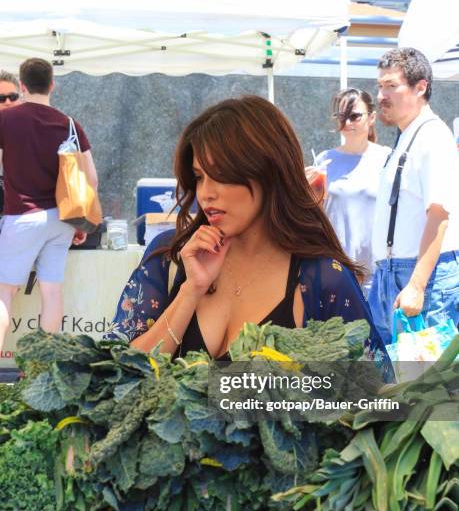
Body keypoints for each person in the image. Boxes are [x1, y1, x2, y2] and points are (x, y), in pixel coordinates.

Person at [105, 95, 385, 361]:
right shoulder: (171, 255)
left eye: (222, 176)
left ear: (269, 173)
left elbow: (372, 396)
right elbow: (118, 373)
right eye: (200, 177)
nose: (206, 193)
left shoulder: (322, 278)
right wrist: (190, 291)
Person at [0, 58, 98, 352]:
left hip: (23, 217)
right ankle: (41, 371)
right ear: (52, 84)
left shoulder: (7, 120)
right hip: (62, 220)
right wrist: (82, 224)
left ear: (23, 86)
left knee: (4, 294)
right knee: (52, 292)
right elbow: (91, 179)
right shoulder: (70, 124)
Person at [369, 47, 459, 345]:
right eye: (380, 85)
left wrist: (417, 285)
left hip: (422, 278)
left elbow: (439, 216)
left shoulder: (433, 137)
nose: (382, 94)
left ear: (421, 88)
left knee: (426, 386)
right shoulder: (407, 135)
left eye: (391, 86)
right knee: (396, 385)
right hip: (390, 276)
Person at [305, 88, 390, 296]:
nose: (348, 123)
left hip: (377, 273)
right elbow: (313, 213)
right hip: (336, 271)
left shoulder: (387, 158)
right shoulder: (324, 160)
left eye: (354, 116)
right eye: (342, 116)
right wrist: (304, 190)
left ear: (371, 118)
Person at [0, 71, 22, 215]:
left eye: (13, 97)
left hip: (22, 213)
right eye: (1, 98)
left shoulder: (31, 127)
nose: (8, 102)